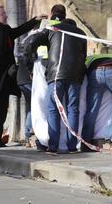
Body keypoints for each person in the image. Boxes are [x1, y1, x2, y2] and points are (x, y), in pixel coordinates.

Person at [0, 6, 46, 150]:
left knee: (1, 110)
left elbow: (18, 31)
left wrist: (35, 20)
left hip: (7, 77)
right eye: (3, 14)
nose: (6, 16)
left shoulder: (6, 30)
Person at [24, 18, 87, 154]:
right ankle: (72, 146)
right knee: (73, 110)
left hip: (56, 75)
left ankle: (53, 146)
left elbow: (30, 41)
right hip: (75, 77)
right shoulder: (81, 33)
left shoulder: (53, 30)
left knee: (53, 109)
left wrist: (31, 59)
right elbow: (83, 57)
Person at [81, 53, 112, 152]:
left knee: (92, 109)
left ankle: (85, 142)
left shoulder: (90, 57)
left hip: (95, 72)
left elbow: (84, 69)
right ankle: (109, 138)